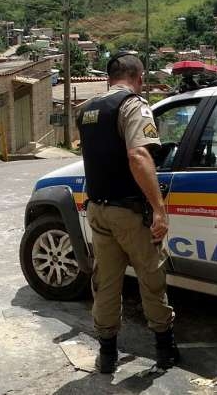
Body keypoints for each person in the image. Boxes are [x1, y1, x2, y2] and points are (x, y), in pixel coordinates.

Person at [76, 52, 180, 373]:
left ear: (109, 78)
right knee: (151, 278)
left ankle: (107, 355)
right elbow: (138, 156)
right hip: (130, 212)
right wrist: (159, 209)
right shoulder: (133, 106)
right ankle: (165, 350)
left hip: (98, 209)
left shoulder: (87, 110)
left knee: (106, 283)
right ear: (138, 77)